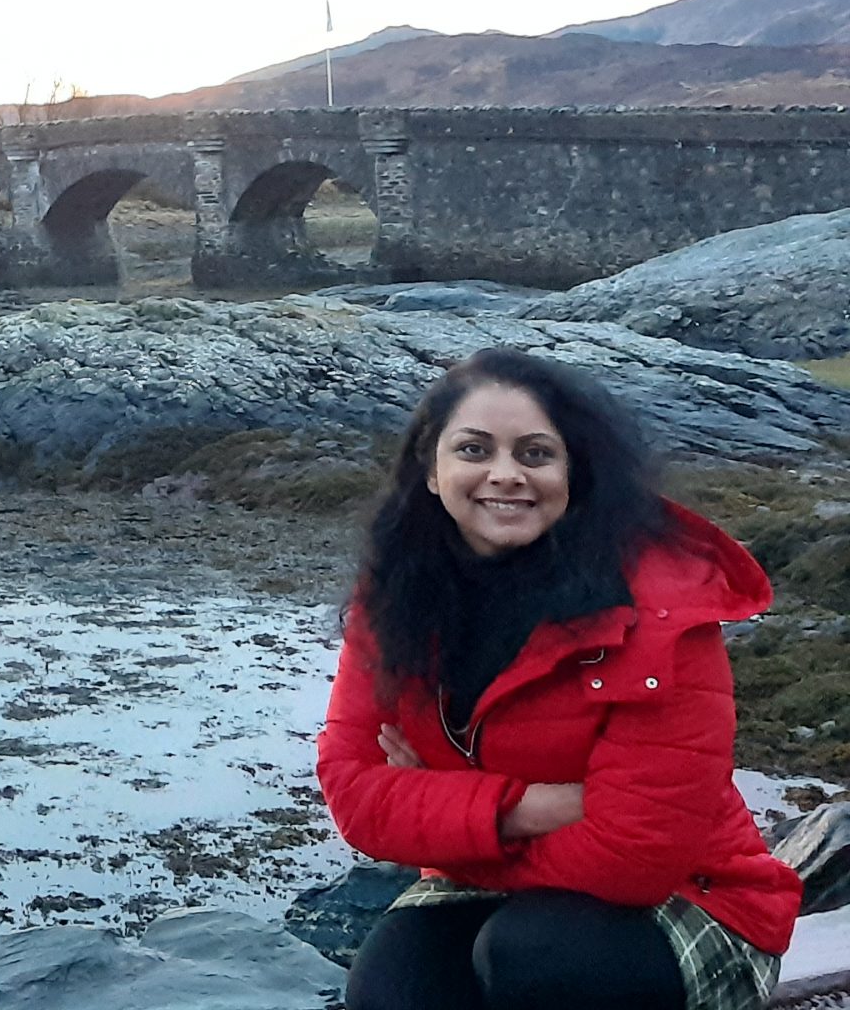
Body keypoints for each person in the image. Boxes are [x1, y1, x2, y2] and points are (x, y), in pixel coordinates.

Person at [317, 348, 798, 1010]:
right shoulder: (396, 596)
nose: (505, 475)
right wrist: (541, 805)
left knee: (536, 955)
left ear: (575, 472)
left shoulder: (661, 607)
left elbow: (635, 858)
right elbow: (355, 794)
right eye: (475, 450)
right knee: (391, 987)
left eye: (536, 454)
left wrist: (445, 804)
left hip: (693, 894)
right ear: (432, 470)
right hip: (488, 884)